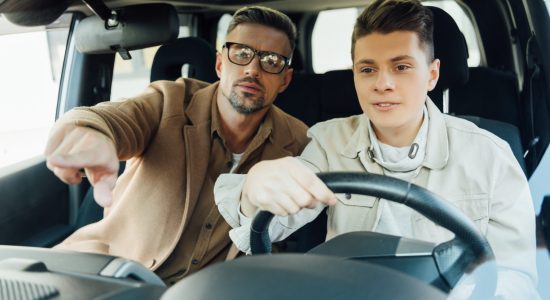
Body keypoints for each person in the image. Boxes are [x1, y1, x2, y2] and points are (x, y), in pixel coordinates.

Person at [215, 0, 538, 298]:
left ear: (432, 74)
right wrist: (255, 188)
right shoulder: (329, 141)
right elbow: (271, 221)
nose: (382, 83)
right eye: (367, 69)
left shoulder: (490, 154)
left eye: (401, 67)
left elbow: (516, 277)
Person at [44, 6, 309, 285]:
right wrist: (89, 131)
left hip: (208, 289)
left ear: (285, 80)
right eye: (241, 54)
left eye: (271, 60)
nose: (253, 70)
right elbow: (114, 118)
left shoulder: (296, 140)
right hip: (113, 273)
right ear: (220, 64)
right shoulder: (168, 101)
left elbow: (281, 233)